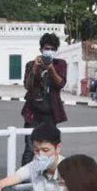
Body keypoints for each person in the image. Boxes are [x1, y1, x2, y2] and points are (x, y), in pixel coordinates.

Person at [21, 33, 67, 165]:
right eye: (47, 48)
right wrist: (35, 69)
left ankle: (46, 176)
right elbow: (27, 85)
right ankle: (25, 182)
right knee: (30, 149)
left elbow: (61, 84)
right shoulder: (31, 64)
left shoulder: (60, 64)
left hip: (51, 115)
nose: (50, 51)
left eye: (53, 49)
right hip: (32, 114)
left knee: (49, 148)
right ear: (41, 49)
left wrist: (51, 70)